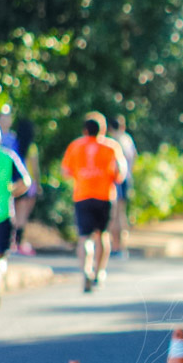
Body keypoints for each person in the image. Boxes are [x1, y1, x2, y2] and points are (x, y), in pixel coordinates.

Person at [61, 112, 127, 293]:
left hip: (82, 196)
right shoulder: (111, 147)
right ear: (102, 129)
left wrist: (81, 174)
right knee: (102, 235)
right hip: (104, 196)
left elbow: (65, 171)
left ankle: (85, 271)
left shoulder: (75, 146)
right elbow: (120, 174)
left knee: (84, 237)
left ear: (84, 130)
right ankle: (99, 272)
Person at [0, 122, 31, 307]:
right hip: (2, 214)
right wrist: (12, 192)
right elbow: (26, 182)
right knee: (1, 257)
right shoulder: (7, 156)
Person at [108, 115, 138, 258]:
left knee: (114, 214)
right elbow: (135, 156)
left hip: (116, 180)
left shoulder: (113, 142)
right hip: (127, 179)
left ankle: (115, 246)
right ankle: (122, 246)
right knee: (122, 213)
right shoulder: (127, 139)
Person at [12, 118, 41, 256]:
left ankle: (13, 242)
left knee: (14, 214)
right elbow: (35, 169)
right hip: (28, 183)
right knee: (23, 217)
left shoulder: (13, 143)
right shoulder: (31, 147)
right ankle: (19, 244)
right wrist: (38, 185)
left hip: (14, 182)